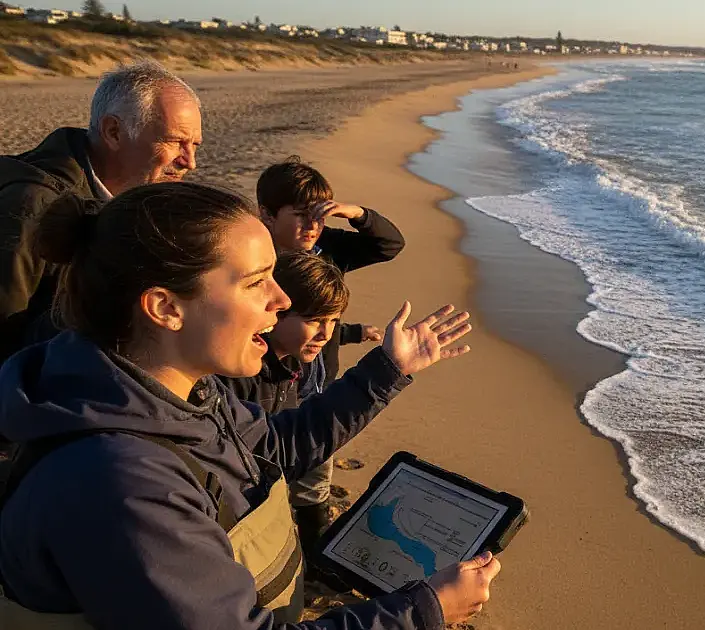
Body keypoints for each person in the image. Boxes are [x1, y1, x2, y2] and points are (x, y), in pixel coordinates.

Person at [0, 182, 498, 629]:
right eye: (256, 281)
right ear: (166, 308)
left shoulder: (179, 394)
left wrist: (388, 368)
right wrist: (422, 612)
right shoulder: (122, 484)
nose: (281, 299)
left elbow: (276, 445)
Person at [0, 59, 202, 362]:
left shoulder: (134, 201)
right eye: (174, 141)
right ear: (114, 132)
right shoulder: (32, 205)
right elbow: (6, 338)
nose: (190, 162)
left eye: (195, 145)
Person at [256, 158, 405, 539]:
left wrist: (355, 213)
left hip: (317, 378)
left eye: (320, 216)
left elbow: (389, 244)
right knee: (263, 454)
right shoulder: (252, 261)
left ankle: (312, 539)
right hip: (262, 379)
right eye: (302, 215)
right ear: (267, 215)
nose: (312, 226)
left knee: (315, 465)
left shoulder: (328, 251)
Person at [218, 250, 351, 561]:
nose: (326, 333)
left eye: (332, 320)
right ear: (275, 311)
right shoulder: (237, 373)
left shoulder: (293, 364)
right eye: (314, 319)